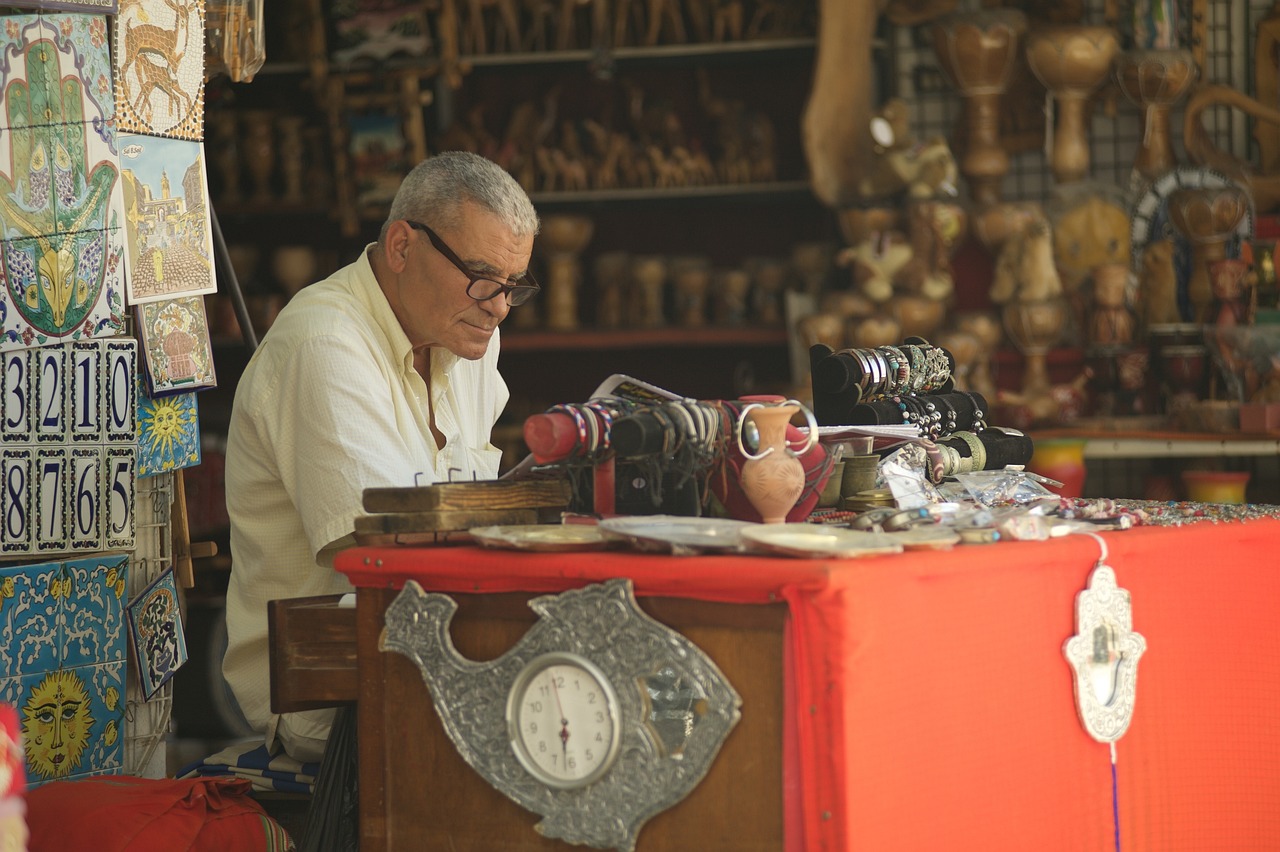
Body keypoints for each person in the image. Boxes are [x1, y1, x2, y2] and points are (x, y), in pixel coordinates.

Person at [221, 151, 540, 762]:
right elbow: (386, 557)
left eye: (514, 286)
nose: (499, 306)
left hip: (433, 656)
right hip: (325, 696)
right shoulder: (323, 341)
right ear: (401, 247)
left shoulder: (466, 333)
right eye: (482, 278)